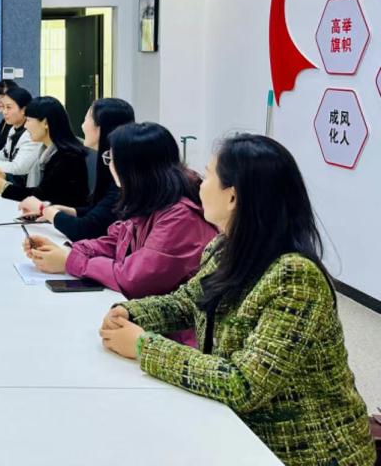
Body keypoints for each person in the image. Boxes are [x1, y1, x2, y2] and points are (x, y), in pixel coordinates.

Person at [99, 134, 374, 466]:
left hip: (306, 453)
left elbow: (245, 383)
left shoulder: (296, 277)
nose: (199, 184)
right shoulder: (223, 248)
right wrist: (130, 312)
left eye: (208, 175)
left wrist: (145, 347)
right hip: (235, 429)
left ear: (232, 197)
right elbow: (187, 302)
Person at [23, 123, 217, 320]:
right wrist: (67, 252)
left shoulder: (180, 216)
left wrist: (70, 261)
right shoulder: (150, 200)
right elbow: (113, 242)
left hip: (170, 327)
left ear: (132, 167)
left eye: (111, 158)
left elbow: (136, 280)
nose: (109, 165)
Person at [18, 98, 135, 241]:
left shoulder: (122, 175)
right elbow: (100, 210)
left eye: (86, 119)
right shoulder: (110, 164)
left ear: (101, 127)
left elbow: (86, 229)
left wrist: (44, 210)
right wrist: (67, 211)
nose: (82, 125)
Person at [0, 96, 89, 208]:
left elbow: (43, 196)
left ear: (45, 123)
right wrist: (6, 177)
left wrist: (5, 188)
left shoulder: (68, 157)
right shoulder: (46, 150)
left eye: (28, 120)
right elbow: (39, 188)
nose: (25, 126)